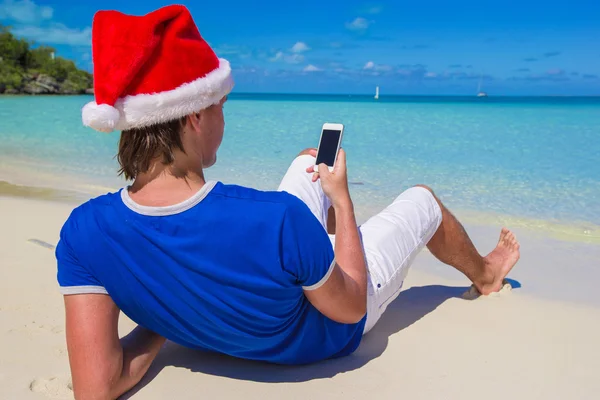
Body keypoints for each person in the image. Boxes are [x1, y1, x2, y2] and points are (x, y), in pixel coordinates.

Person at [56, 5, 520, 400]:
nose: (224, 116)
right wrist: (344, 200)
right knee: (422, 201)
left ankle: (319, 254)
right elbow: (351, 308)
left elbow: (96, 389)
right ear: (195, 115)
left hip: (234, 306)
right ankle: (486, 274)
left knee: (308, 161)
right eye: (221, 103)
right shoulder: (276, 220)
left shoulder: (84, 232)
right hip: (321, 341)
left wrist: (165, 316)